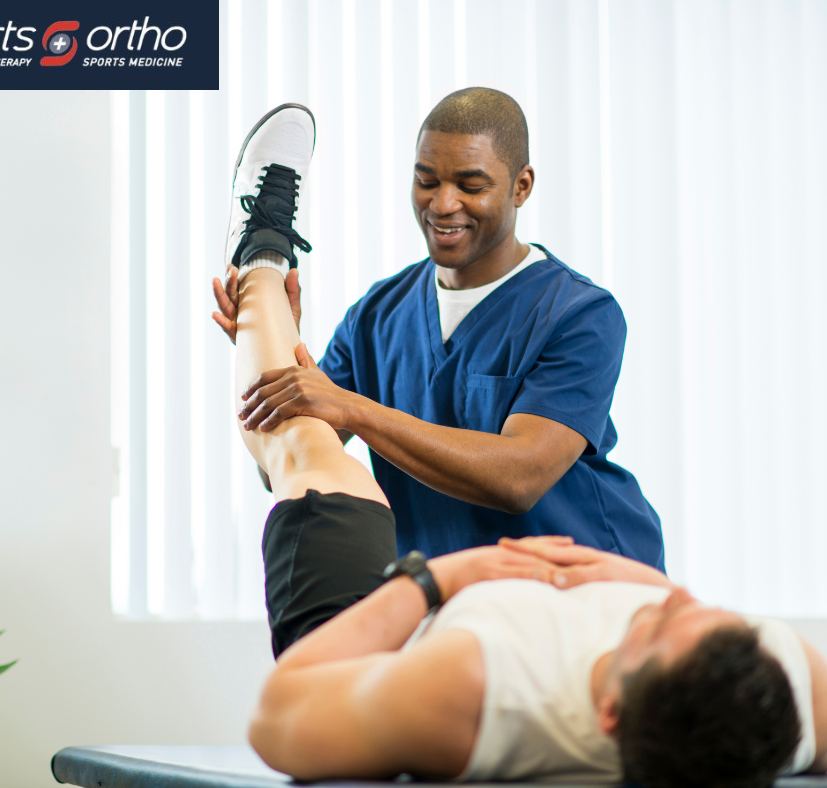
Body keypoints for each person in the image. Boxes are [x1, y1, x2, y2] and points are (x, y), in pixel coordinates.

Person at [224, 164, 827, 787]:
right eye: (703, 612)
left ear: (609, 713)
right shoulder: (767, 690)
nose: (670, 600)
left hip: (416, 612)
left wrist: (434, 581)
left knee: (303, 455)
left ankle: (260, 261)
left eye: (651, 621)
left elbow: (279, 718)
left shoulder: (474, 691)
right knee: (302, 419)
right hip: (572, 548)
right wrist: (632, 585)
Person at [214, 89, 664, 569]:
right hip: (447, 595)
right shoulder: (376, 316)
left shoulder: (580, 314)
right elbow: (285, 463)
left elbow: (518, 479)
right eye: (426, 180)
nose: (443, 204)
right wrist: (270, 336)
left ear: (521, 186)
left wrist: (354, 409)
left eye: (471, 186)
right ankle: (264, 251)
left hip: (585, 586)